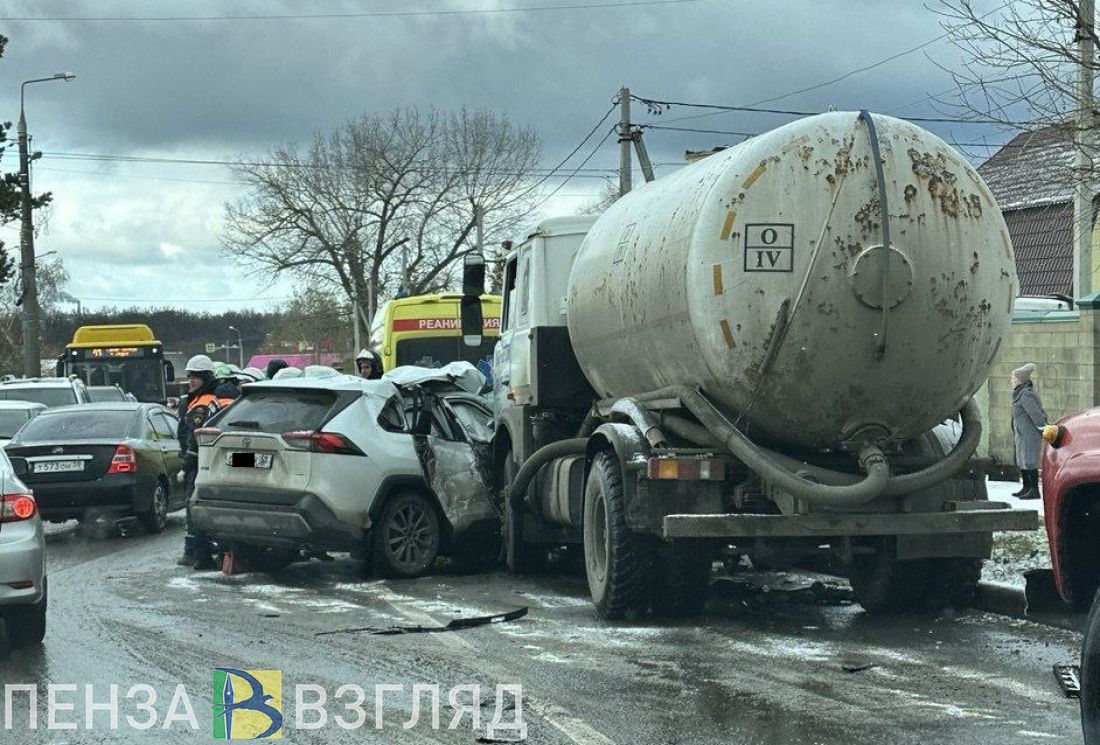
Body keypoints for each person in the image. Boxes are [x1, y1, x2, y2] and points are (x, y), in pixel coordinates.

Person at [177, 354, 223, 569]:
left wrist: (187, 462)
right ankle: (196, 552)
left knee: (195, 508)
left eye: (196, 376)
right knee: (193, 507)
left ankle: (201, 555)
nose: (192, 380)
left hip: (198, 463)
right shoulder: (196, 399)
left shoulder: (203, 402)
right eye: (190, 376)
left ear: (206, 377)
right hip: (199, 462)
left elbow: (196, 437)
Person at [1011, 362, 1048, 500]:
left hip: (1029, 434)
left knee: (1030, 461)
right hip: (1022, 434)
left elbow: (1036, 414)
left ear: (1020, 380)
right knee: (1023, 460)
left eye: (1013, 379)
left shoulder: (1026, 395)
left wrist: (1041, 427)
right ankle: (1026, 487)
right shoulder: (1019, 393)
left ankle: (1034, 490)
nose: (1011, 381)